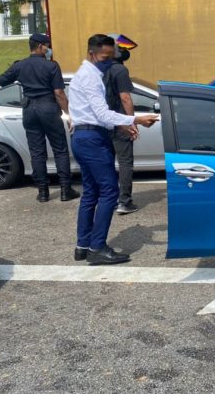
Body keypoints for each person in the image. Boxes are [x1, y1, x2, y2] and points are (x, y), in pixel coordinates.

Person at [69, 34, 158, 265]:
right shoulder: (90, 78)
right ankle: (97, 247)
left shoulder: (87, 74)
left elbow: (97, 115)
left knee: (90, 192)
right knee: (109, 192)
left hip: (84, 136)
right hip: (92, 139)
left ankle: (83, 245)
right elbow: (101, 114)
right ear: (91, 53)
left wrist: (123, 123)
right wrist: (135, 120)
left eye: (111, 56)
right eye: (104, 56)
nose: (108, 61)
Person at [0, 33, 80, 202]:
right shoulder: (51, 66)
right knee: (60, 150)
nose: (49, 48)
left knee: (37, 153)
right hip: (49, 108)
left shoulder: (19, 66)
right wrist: (68, 115)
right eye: (47, 45)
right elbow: (59, 93)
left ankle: (43, 192)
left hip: (30, 110)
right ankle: (65, 190)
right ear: (40, 46)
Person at [103, 34, 140, 215]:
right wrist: (131, 121)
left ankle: (108, 200)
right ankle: (124, 202)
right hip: (119, 122)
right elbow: (125, 97)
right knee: (125, 162)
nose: (125, 52)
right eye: (122, 49)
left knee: (107, 163)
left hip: (102, 122)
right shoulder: (120, 70)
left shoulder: (99, 69)